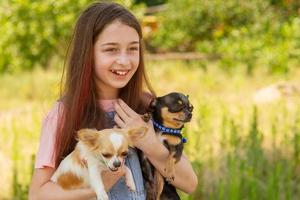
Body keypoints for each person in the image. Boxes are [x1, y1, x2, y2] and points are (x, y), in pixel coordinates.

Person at [28, 2, 198, 200]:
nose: (125, 61)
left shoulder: (147, 106)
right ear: (88, 53)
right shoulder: (64, 113)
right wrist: (99, 188)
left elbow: (190, 183)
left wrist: (151, 144)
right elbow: (37, 194)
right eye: (111, 50)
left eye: (133, 49)